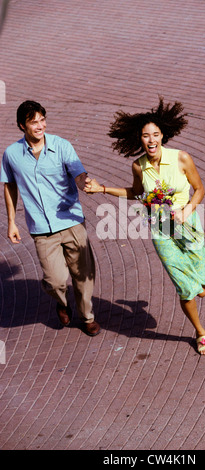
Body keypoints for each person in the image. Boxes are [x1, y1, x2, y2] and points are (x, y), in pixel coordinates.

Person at [84, 97, 205, 354]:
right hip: (160, 229)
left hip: (188, 226)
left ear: (163, 135)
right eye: (146, 136)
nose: (151, 140)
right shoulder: (139, 166)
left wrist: (188, 209)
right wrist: (102, 189)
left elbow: (199, 189)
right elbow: (135, 193)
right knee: (185, 288)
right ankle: (200, 333)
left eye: (155, 134)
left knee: (200, 288)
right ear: (139, 139)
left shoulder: (181, 159)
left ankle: (199, 285)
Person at [0, 100, 100, 336]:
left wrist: (85, 183)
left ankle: (87, 317)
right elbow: (10, 186)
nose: (40, 126)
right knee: (55, 280)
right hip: (41, 228)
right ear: (21, 126)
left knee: (83, 274)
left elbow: (78, 173)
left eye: (42, 120)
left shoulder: (61, 146)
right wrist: (12, 221)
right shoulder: (12, 154)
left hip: (71, 221)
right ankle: (62, 302)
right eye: (34, 122)